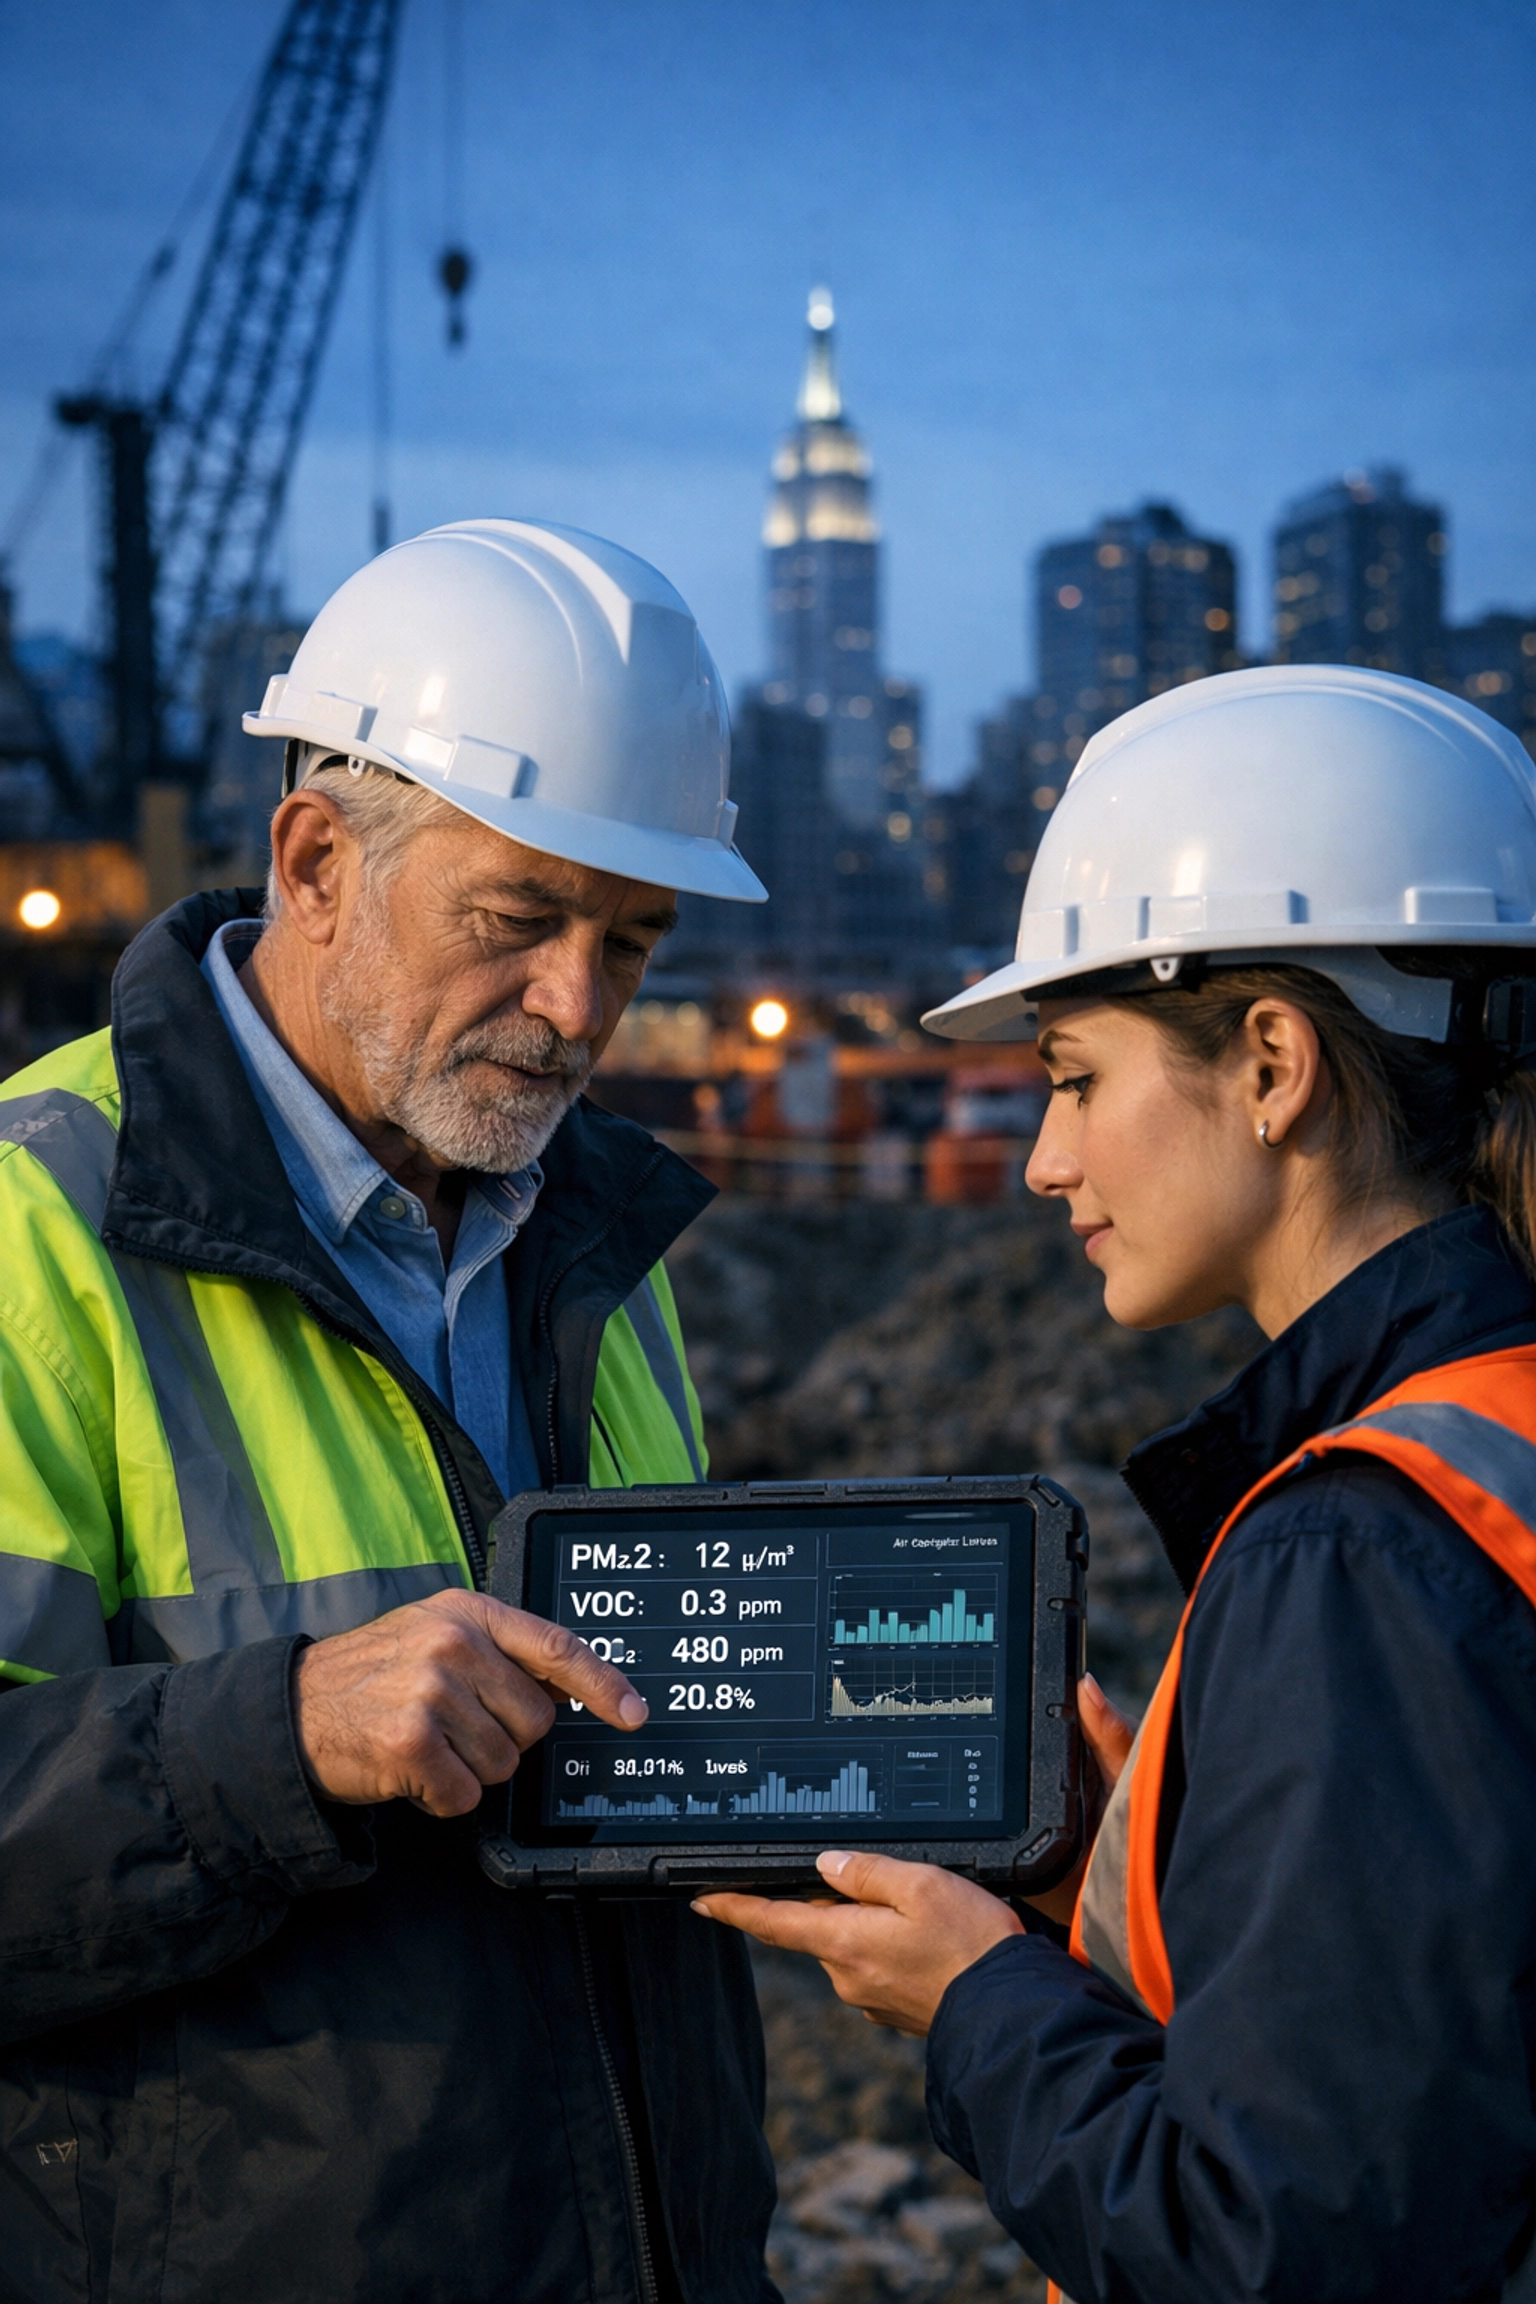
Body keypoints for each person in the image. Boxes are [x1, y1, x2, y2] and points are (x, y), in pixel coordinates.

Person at [0, 521, 780, 2303]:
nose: (579, 1009)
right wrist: (277, 1734)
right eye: (518, 923)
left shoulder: (600, 1242)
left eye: (633, 943)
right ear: (315, 857)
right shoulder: (31, 1234)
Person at [697, 663, 1536, 2304]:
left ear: (1275, 1064)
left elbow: (1273, 2256)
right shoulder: (1490, 1441)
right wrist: (1157, 1888)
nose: (1042, 1158)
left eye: (1075, 1074)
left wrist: (981, 1998)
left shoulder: (1363, 1548)